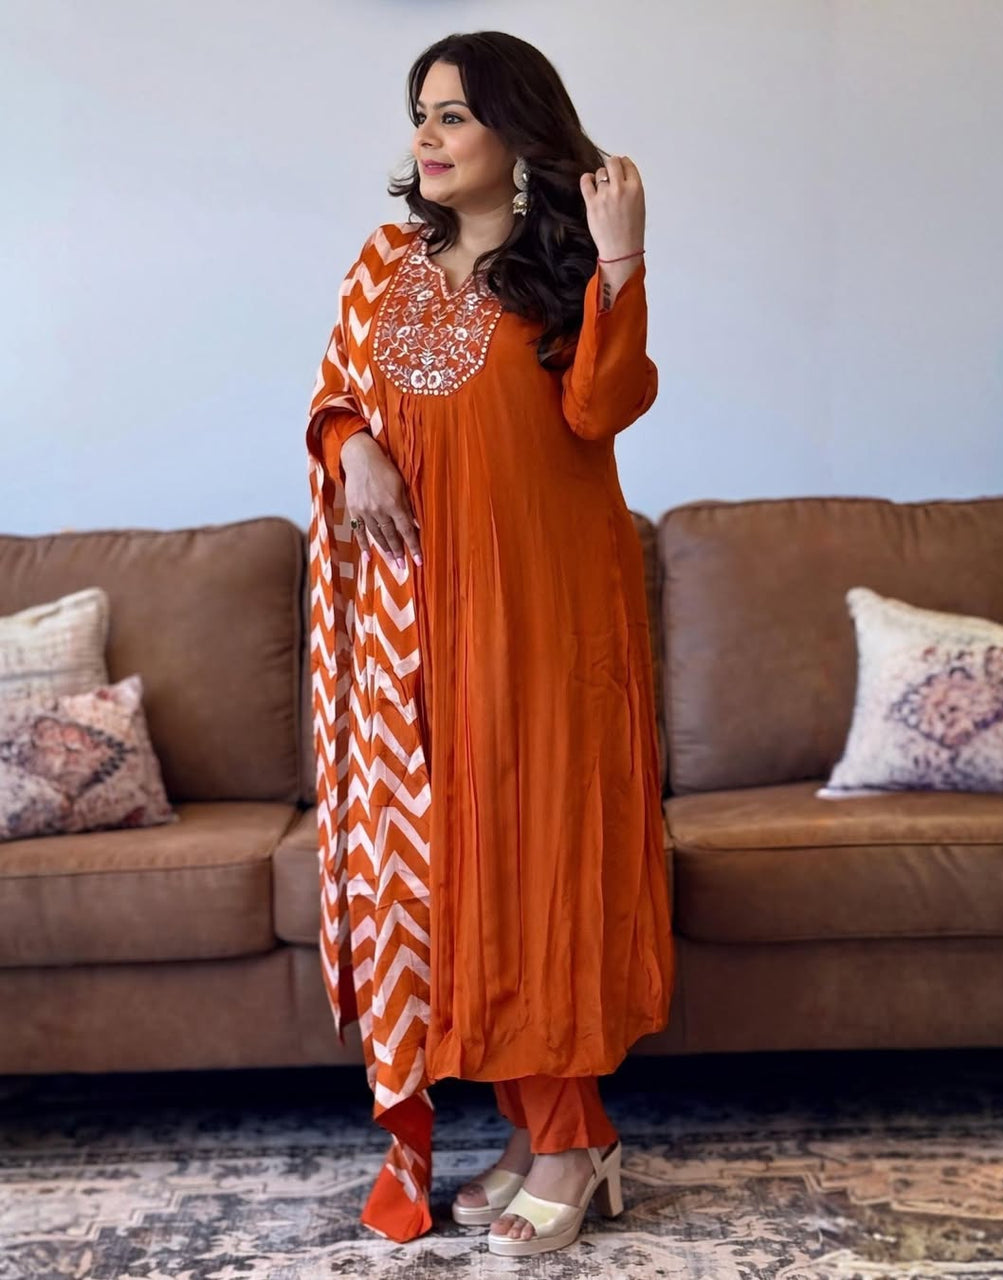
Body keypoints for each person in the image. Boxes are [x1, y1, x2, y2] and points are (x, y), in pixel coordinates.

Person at [305, 30, 674, 1258]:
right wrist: (353, 444)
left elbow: (602, 406)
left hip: (544, 611)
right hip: (418, 621)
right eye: (421, 111)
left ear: (517, 130)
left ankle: (566, 1141)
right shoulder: (384, 263)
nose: (427, 134)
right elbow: (333, 392)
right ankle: (553, 1133)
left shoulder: (562, 263)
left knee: (538, 857)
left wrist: (621, 257)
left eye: (454, 113)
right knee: (460, 862)